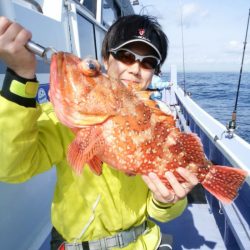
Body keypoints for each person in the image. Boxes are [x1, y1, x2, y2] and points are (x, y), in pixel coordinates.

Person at [0, 14, 199, 250]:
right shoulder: (63, 119)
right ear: (106, 59)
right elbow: (10, 167)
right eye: (126, 56)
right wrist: (20, 77)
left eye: (148, 63)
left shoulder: (159, 128)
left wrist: (167, 201)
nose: (136, 69)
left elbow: (162, 213)